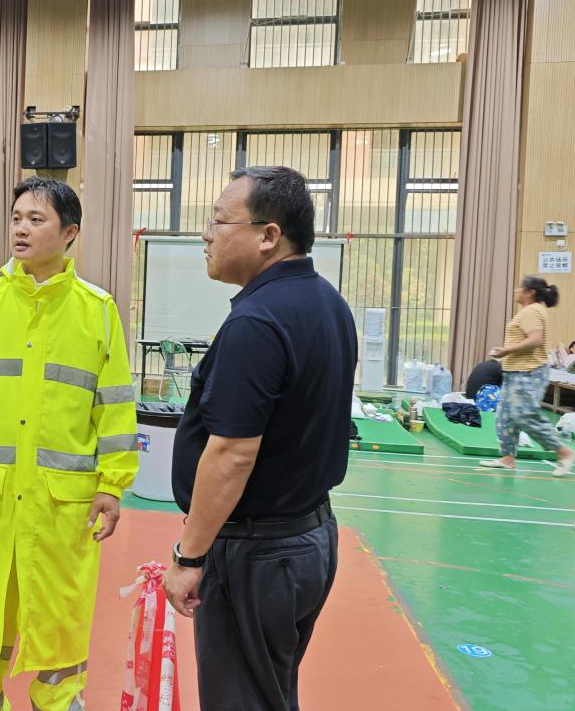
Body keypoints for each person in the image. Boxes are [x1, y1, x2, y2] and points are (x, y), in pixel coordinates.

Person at [0, 176, 138, 711]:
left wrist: (112, 484)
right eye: (16, 217)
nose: (20, 228)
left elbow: (114, 406)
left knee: (59, 630)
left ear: (70, 233)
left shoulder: (97, 310)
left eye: (36, 219)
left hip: (61, 507)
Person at [160, 166, 357, 711]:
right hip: (308, 540)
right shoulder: (328, 304)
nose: (206, 235)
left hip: (259, 554)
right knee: (269, 693)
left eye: (219, 222)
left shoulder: (258, 322)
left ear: (268, 235)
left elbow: (231, 454)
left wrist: (189, 557)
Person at [482, 276, 575, 475]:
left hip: (528, 372)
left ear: (530, 292)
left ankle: (565, 453)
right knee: (505, 416)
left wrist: (506, 350)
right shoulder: (530, 310)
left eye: (520, 287)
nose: (516, 290)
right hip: (515, 371)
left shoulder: (532, 310)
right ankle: (508, 458)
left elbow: (536, 340)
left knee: (523, 415)